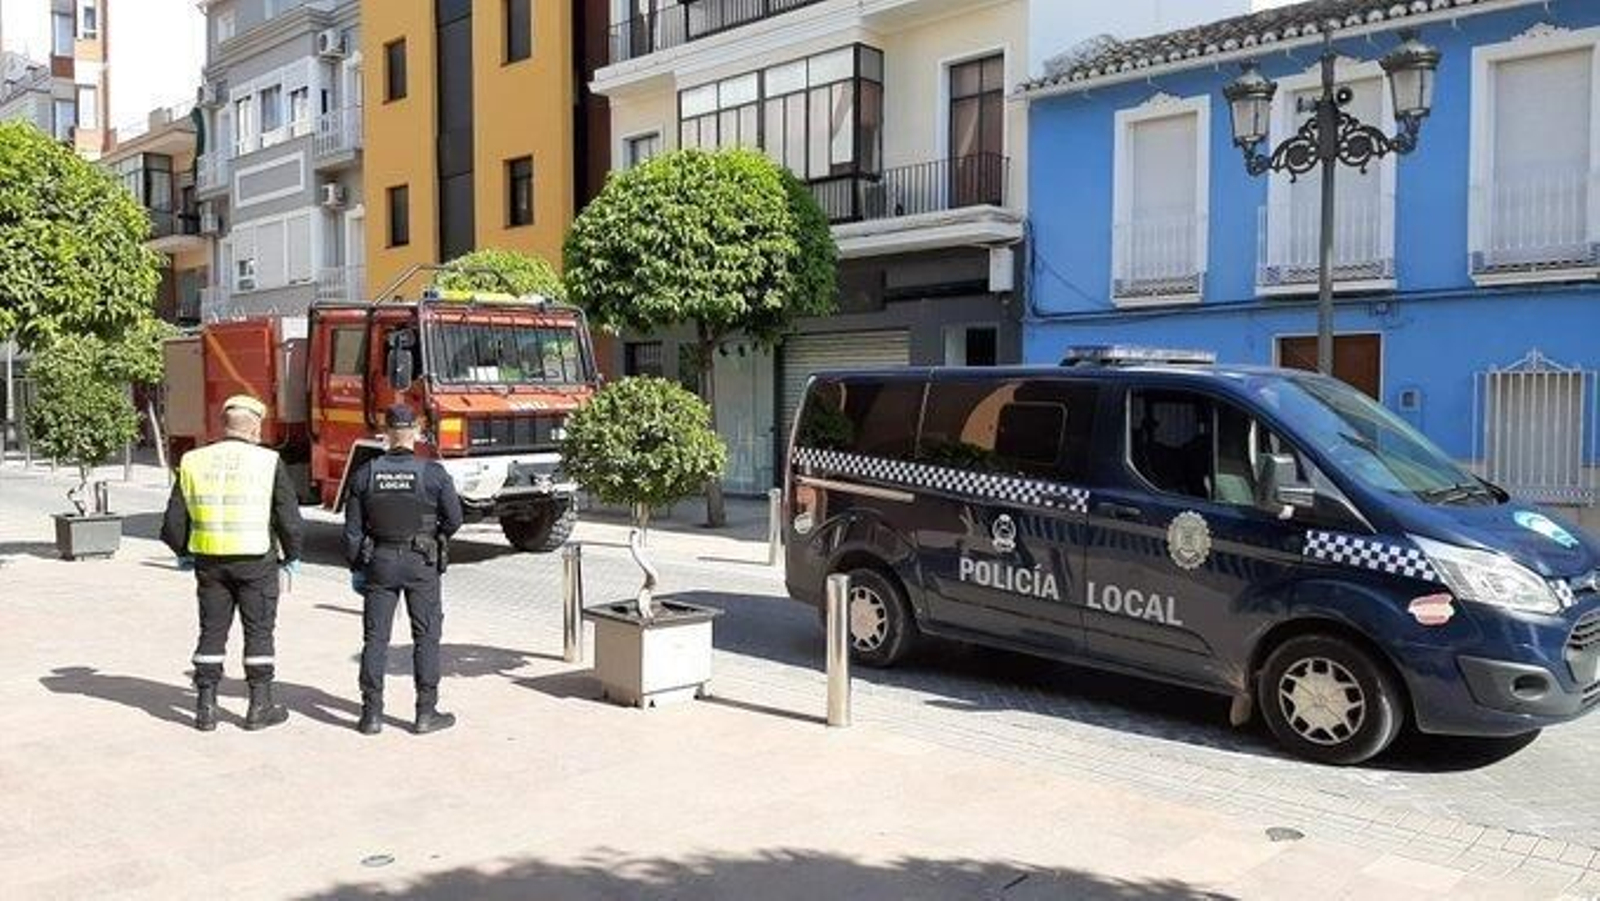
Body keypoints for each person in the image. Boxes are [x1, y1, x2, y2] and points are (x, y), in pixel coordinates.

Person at [161, 394, 304, 732]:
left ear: (223, 426)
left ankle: (205, 707)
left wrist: (183, 552)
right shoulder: (268, 461)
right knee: (259, 632)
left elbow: (173, 521)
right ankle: (259, 707)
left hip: (209, 563)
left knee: (211, 632)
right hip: (257, 561)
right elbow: (289, 517)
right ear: (254, 428)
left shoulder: (193, 460)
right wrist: (293, 556)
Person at [344, 404, 464, 735]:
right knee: (426, 636)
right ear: (415, 432)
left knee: (375, 638)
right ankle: (426, 713)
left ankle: (371, 715)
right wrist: (433, 537)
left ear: (385, 432)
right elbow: (454, 519)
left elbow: (353, 532)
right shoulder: (434, 473)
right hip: (421, 561)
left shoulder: (365, 474)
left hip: (379, 562)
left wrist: (357, 567)